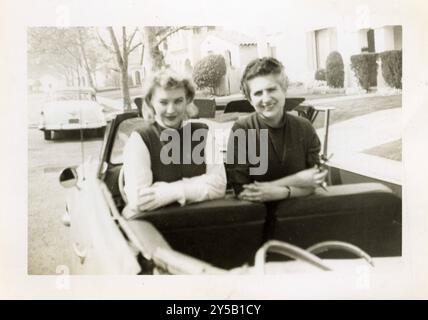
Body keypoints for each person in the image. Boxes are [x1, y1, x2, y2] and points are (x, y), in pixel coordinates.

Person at [123, 69, 226, 217]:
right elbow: (139, 199)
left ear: (188, 100)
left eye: (178, 101)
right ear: (150, 102)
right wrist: (199, 187)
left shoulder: (203, 132)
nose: (171, 110)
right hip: (160, 228)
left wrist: (171, 192)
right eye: (163, 102)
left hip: (203, 223)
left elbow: (219, 186)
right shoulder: (140, 139)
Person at [226, 57, 328, 202]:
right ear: (249, 99)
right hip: (258, 218)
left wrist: (280, 191)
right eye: (258, 93)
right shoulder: (242, 130)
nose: (266, 99)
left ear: (284, 89)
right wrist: (298, 180)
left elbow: (317, 181)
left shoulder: (304, 128)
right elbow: (242, 191)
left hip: (301, 216)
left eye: (271, 89)